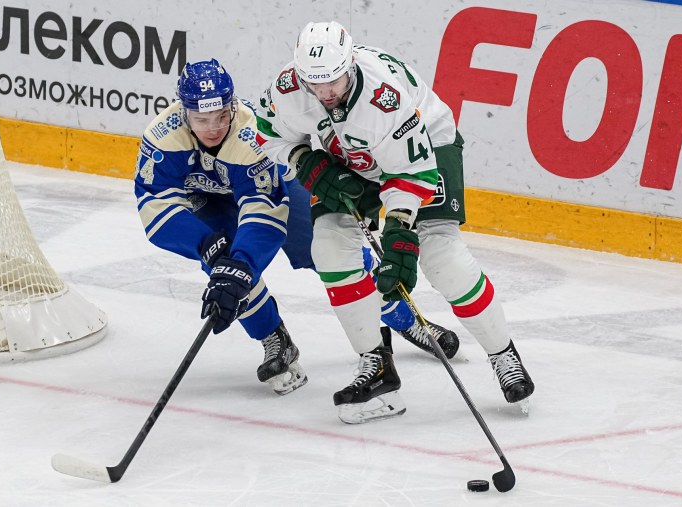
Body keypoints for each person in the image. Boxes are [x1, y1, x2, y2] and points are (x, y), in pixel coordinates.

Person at [256, 21, 535, 424]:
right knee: (329, 247)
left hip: (426, 150)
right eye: (315, 83)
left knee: (441, 257)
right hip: (351, 155)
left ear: (350, 65)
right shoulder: (288, 88)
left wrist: (400, 229)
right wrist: (306, 162)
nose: (326, 92)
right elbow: (266, 133)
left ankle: (503, 354)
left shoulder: (384, 98)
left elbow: (410, 173)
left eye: (334, 80)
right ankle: (376, 366)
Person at [134, 58, 459, 397]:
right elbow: (155, 205)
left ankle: (408, 320)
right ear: (183, 111)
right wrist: (206, 245)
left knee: (332, 255)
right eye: (201, 119)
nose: (213, 128)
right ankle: (275, 339)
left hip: (276, 188)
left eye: (221, 116)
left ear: (232, 106)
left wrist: (244, 261)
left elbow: (263, 211)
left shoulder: (248, 133)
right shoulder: (163, 136)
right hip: (207, 202)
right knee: (225, 271)